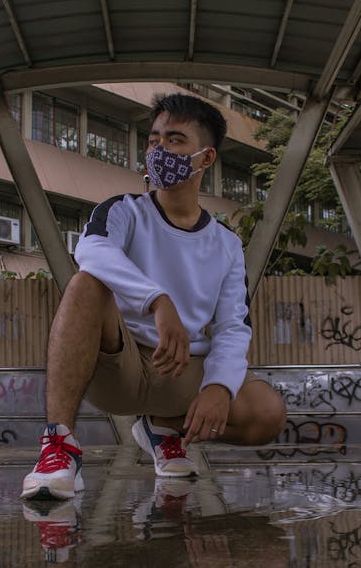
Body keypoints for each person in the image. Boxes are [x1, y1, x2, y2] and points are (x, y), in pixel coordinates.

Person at [21, 91, 286, 502]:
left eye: (175, 140)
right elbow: (91, 250)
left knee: (268, 415)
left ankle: (162, 430)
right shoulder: (124, 210)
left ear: (206, 158)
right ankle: (58, 447)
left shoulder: (227, 244)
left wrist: (218, 387)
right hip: (117, 365)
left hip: (181, 374)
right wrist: (157, 301)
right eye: (154, 140)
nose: (159, 149)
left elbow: (234, 325)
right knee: (85, 282)